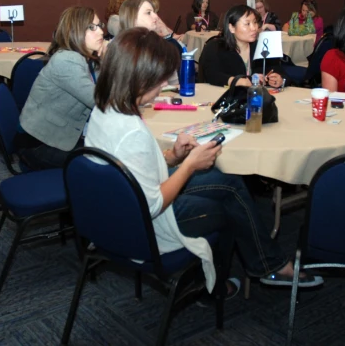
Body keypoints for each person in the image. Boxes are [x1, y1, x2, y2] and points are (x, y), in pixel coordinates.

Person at [85, 28, 323, 296]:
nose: (163, 86)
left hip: (113, 209)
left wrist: (174, 156)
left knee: (229, 181)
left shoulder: (105, 109)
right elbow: (151, 204)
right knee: (224, 207)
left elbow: (129, 168)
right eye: (159, 80)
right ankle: (215, 286)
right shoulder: (132, 131)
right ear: (140, 79)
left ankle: (262, 266)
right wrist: (188, 166)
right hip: (142, 224)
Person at [16, 7, 105, 170]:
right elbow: (100, 101)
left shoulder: (86, 58)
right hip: (39, 144)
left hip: (61, 134)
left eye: (100, 26)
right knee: (105, 164)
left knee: (109, 151)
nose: (101, 32)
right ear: (75, 31)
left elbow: (105, 89)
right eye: (92, 27)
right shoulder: (67, 60)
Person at [200, 5, 286, 88]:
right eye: (247, 24)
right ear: (232, 28)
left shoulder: (261, 47)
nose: (254, 28)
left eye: (255, 22)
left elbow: (280, 72)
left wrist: (280, 80)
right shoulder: (215, 47)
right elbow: (212, 75)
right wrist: (240, 81)